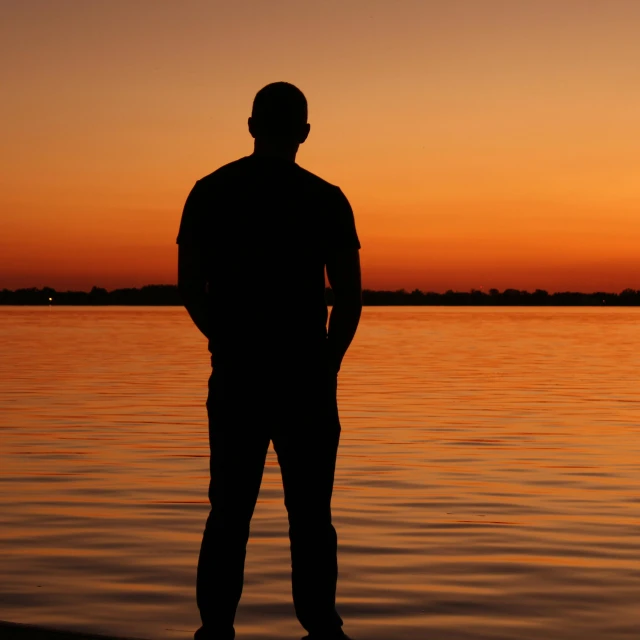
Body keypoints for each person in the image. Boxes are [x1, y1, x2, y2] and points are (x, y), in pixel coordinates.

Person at [177, 81, 362, 640]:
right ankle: (320, 627)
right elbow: (349, 297)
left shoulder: (210, 191)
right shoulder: (326, 198)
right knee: (310, 518)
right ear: (304, 132)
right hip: (305, 376)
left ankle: (216, 630)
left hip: (239, 375)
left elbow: (191, 288)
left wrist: (225, 340)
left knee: (228, 514)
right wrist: (326, 363)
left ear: (252, 126)